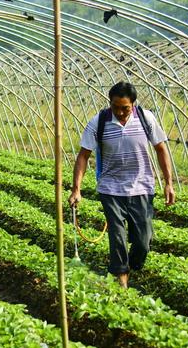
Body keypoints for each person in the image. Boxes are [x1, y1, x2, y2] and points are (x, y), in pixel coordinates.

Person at [68, 82, 175, 289]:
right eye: (115, 107)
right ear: (110, 103)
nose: (120, 112)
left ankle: (132, 265)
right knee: (117, 235)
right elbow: (83, 156)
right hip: (111, 188)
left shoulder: (146, 119)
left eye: (125, 108)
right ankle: (121, 277)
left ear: (133, 104)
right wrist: (76, 189)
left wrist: (169, 183)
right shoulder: (98, 122)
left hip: (142, 187)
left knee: (143, 240)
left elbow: (161, 149)